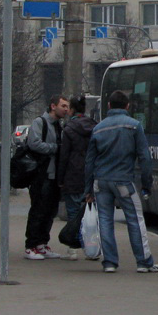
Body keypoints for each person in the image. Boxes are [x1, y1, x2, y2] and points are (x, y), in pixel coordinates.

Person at [83, 90, 158, 274]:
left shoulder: (98, 128)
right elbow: (144, 158)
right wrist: (146, 185)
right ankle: (143, 261)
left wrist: (88, 189)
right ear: (127, 106)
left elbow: (89, 162)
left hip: (101, 182)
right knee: (135, 220)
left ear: (108, 106)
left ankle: (109, 262)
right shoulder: (134, 126)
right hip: (124, 181)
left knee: (105, 221)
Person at [24, 94, 69, 260]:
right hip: (41, 174)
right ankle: (30, 245)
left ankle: (42, 244)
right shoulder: (40, 122)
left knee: (50, 211)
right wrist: (55, 148)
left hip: (54, 175)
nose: (66, 109)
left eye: (66, 106)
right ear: (53, 106)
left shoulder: (60, 125)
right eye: (63, 106)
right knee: (38, 210)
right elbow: (34, 144)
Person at [56, 95, 96, 260]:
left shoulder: (69, 128)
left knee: (73, 212)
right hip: (91, 175)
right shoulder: (94, 126)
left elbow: (64, 156)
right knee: (90, 213)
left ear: (71, 109)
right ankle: (91, 249)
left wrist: (60, 179)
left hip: (72, 175)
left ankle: (72, 249)